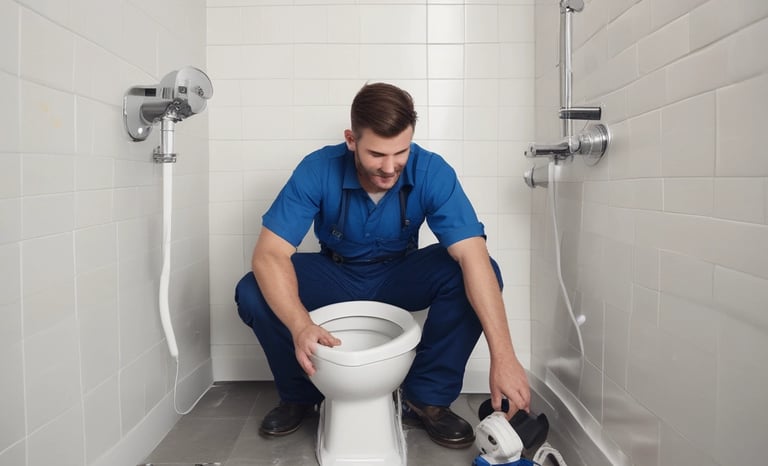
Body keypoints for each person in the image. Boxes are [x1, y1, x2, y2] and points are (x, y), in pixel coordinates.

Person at [235, 82, 530, 449]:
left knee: (477, 268)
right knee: (252, 289)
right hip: (337, 275)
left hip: (400, 276)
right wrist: (301, 325)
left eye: (400, 152)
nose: (389, 168)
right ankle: (299, 396)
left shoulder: (432, 171)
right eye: (376, 154)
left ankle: (426, 397)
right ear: (351, 139)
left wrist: (504, 356)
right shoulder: (317, 169)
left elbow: (473, 255)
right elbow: (269, 253)